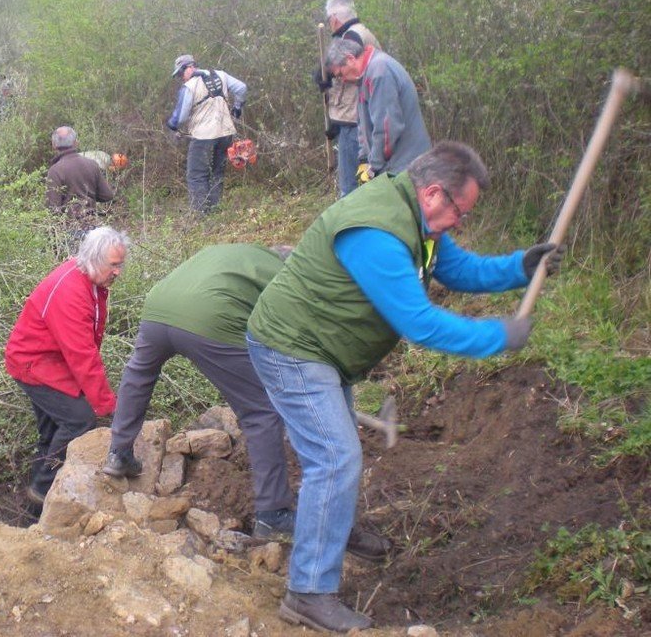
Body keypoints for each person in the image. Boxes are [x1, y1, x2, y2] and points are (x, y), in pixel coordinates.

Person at [245, 142, 564, 632]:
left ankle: (330, 532)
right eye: (461, 210)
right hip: (293, 348)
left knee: (337, 454)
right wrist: (497, 336)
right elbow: (418, 323)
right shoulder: (376, 231)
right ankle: (308, 592)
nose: (460, 220)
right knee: (335, 457)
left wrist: (519, 267)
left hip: (326, 349)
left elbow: (456, 270)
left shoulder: (415, 216)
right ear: (434, 193)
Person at [101, 243, 296, 539]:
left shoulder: (235, 253)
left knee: (139, 375)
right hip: (208, 316)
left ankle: (119, 452)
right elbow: (282, 333)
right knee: (262, 412)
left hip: (158, 306)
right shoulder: (283, 273)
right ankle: (273, 513)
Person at [5, 227, 130, 504]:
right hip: (33, 364)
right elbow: (82, 355)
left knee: (51, 430)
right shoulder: (71, 291)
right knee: (79, 419)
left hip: (49, 360)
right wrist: (107, 404)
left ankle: (37, 497)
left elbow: (83, 348)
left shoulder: (89, 280)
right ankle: (42, 490)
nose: (118, 271)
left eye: (121, 264)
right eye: (114, 265)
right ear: (94, 259)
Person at [325, 37, 431, 181]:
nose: (342, 80)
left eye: (340, 74)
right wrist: (363, 159)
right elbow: (363, 123)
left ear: (350, 58)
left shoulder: (380, 72)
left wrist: (374, 167)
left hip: (408, 167)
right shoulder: (363, 78)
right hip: (395, 166)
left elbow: (387, 128)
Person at [316, 0, 381, 197]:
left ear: (334, 18)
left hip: (354, 122)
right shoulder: (361, 32)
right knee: (359, 185)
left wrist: (323, 75)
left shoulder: (352, 37)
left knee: (349, 188)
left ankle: (348, 225)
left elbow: (344, 78)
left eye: (329, 21)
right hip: (357, 118)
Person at [166, 55, 247, 213]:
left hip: (203, 136)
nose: (181, 78)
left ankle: (201, 214)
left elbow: (180, 116)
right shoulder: (221, 75)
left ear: (190, 67)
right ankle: (215, 210)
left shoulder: (189, 86)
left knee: (196, 175)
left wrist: (172, 126)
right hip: (226, 133)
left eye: (181, 74)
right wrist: (237, 109)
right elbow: (242, 88)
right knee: (217, 172)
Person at [45, 126, 115, 235]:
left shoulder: (55, 171)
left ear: (54, 146)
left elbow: (53, 209)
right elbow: (107, 196)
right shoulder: (92, 164)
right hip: (94, 229)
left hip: (70, 231)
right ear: (76, 143)